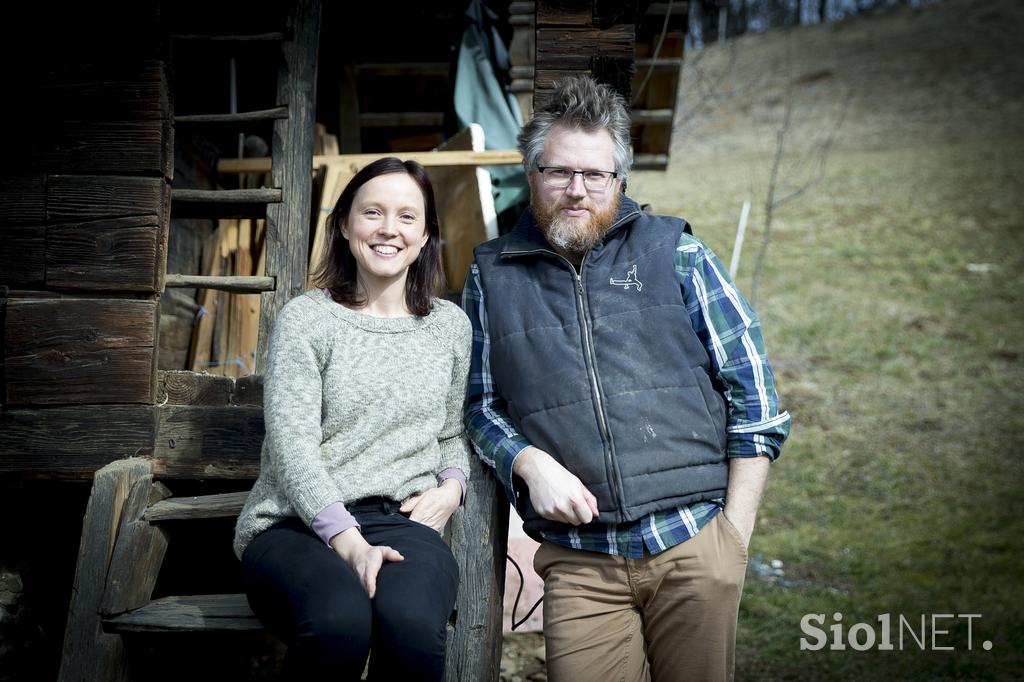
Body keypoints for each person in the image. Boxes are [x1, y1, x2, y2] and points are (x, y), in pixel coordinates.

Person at [463, 75, 791, 681]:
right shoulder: (491, 277)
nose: (577, 190)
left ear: (620, 181)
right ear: (532, 174)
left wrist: (732, 543)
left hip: (693, 543)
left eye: (596, 175)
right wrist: (528, 461)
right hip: (580, 563)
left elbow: (757, 401)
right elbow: (479, 405)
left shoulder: (677, 254)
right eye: (560, 172)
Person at [233, 157, 473, 680]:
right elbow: (292, 446)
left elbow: (453, 432)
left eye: (408, 217)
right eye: (373, 213)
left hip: (402, 522)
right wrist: (348, 542)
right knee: (339, 622)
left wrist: (453, 486)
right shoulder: (307, 320)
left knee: (408, 624)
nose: (390, 229)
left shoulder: (450, 327)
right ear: (344, 225)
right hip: (296, 526)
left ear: (427, 232)